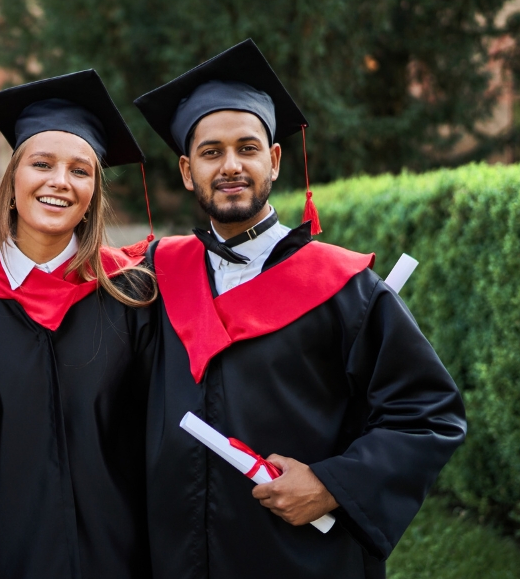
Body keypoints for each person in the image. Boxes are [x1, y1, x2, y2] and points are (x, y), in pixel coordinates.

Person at [129, 39, 467, 579]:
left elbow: (427, 413)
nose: (231, 165)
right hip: (179, 555)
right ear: (188, 171)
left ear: (275, 159)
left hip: (302, 557)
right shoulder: (157, 277)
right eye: (212, 152)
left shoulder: (343, 287)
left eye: (247, 147)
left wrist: (334, 484)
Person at [0, 70, 158, 579]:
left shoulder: (131, 292)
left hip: (121, 547)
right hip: (8, 544)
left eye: (80, 171)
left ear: (93, 192)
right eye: (42, 164)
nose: (60, 181)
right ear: (12, 179)